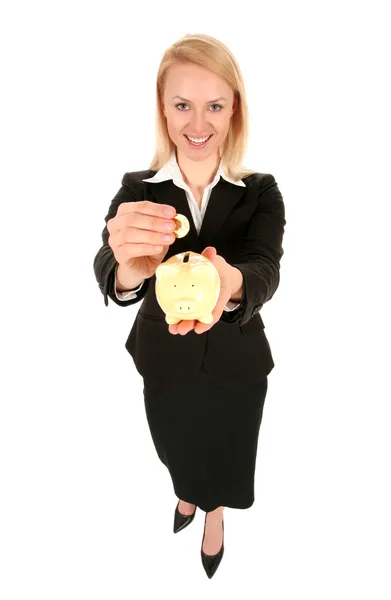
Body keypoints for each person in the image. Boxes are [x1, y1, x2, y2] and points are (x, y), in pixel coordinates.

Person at [93, 33, 286, 579]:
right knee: (175, 440)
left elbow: (265, 269)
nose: (197, 124)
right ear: (163, 108)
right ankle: (184, 493)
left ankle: (214, 513)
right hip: (164, 357)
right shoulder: (138, 189)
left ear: (234, 110)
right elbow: (109, 267)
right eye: (182, 105)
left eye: (214, 106)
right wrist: (129, 266)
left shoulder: (261, 191)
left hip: (237, 360)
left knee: (228, 445)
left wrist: (232, 284)